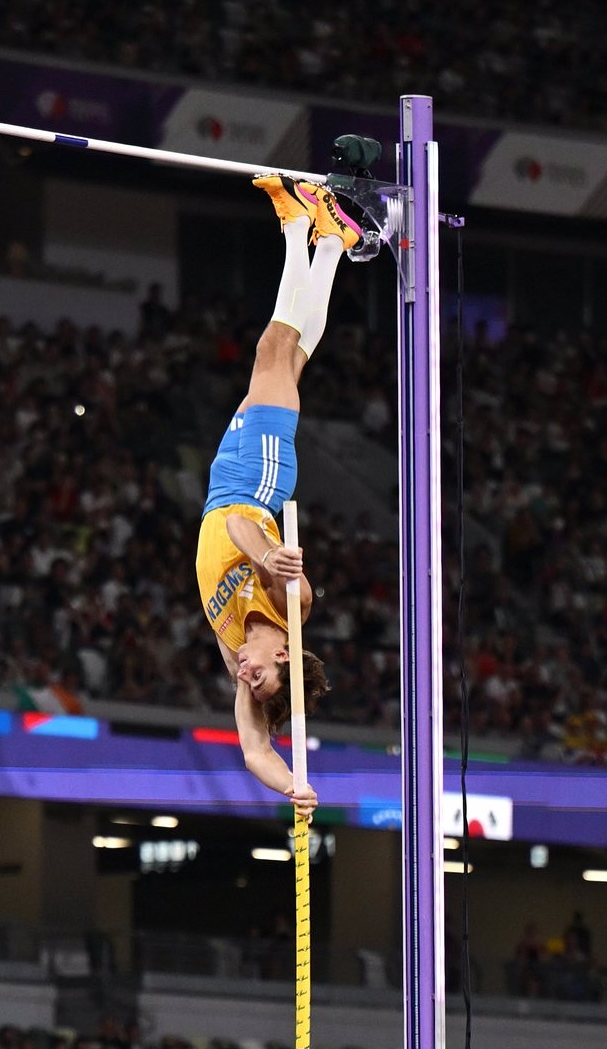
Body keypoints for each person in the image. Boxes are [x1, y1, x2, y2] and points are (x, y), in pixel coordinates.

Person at [196, 173, 361, 808]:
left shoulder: (238, 653)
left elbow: (254, 748)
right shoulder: (292, 602)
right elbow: (241, 528)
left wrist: (293, 783)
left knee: (290, 360)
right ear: (287, 656)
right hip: (256, 482)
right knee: (275, 347)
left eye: (251, 684)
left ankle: (332, 243)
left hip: (224, 480)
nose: (246, 675)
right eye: (260, 677)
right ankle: (297, 226)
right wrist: (271, 560)